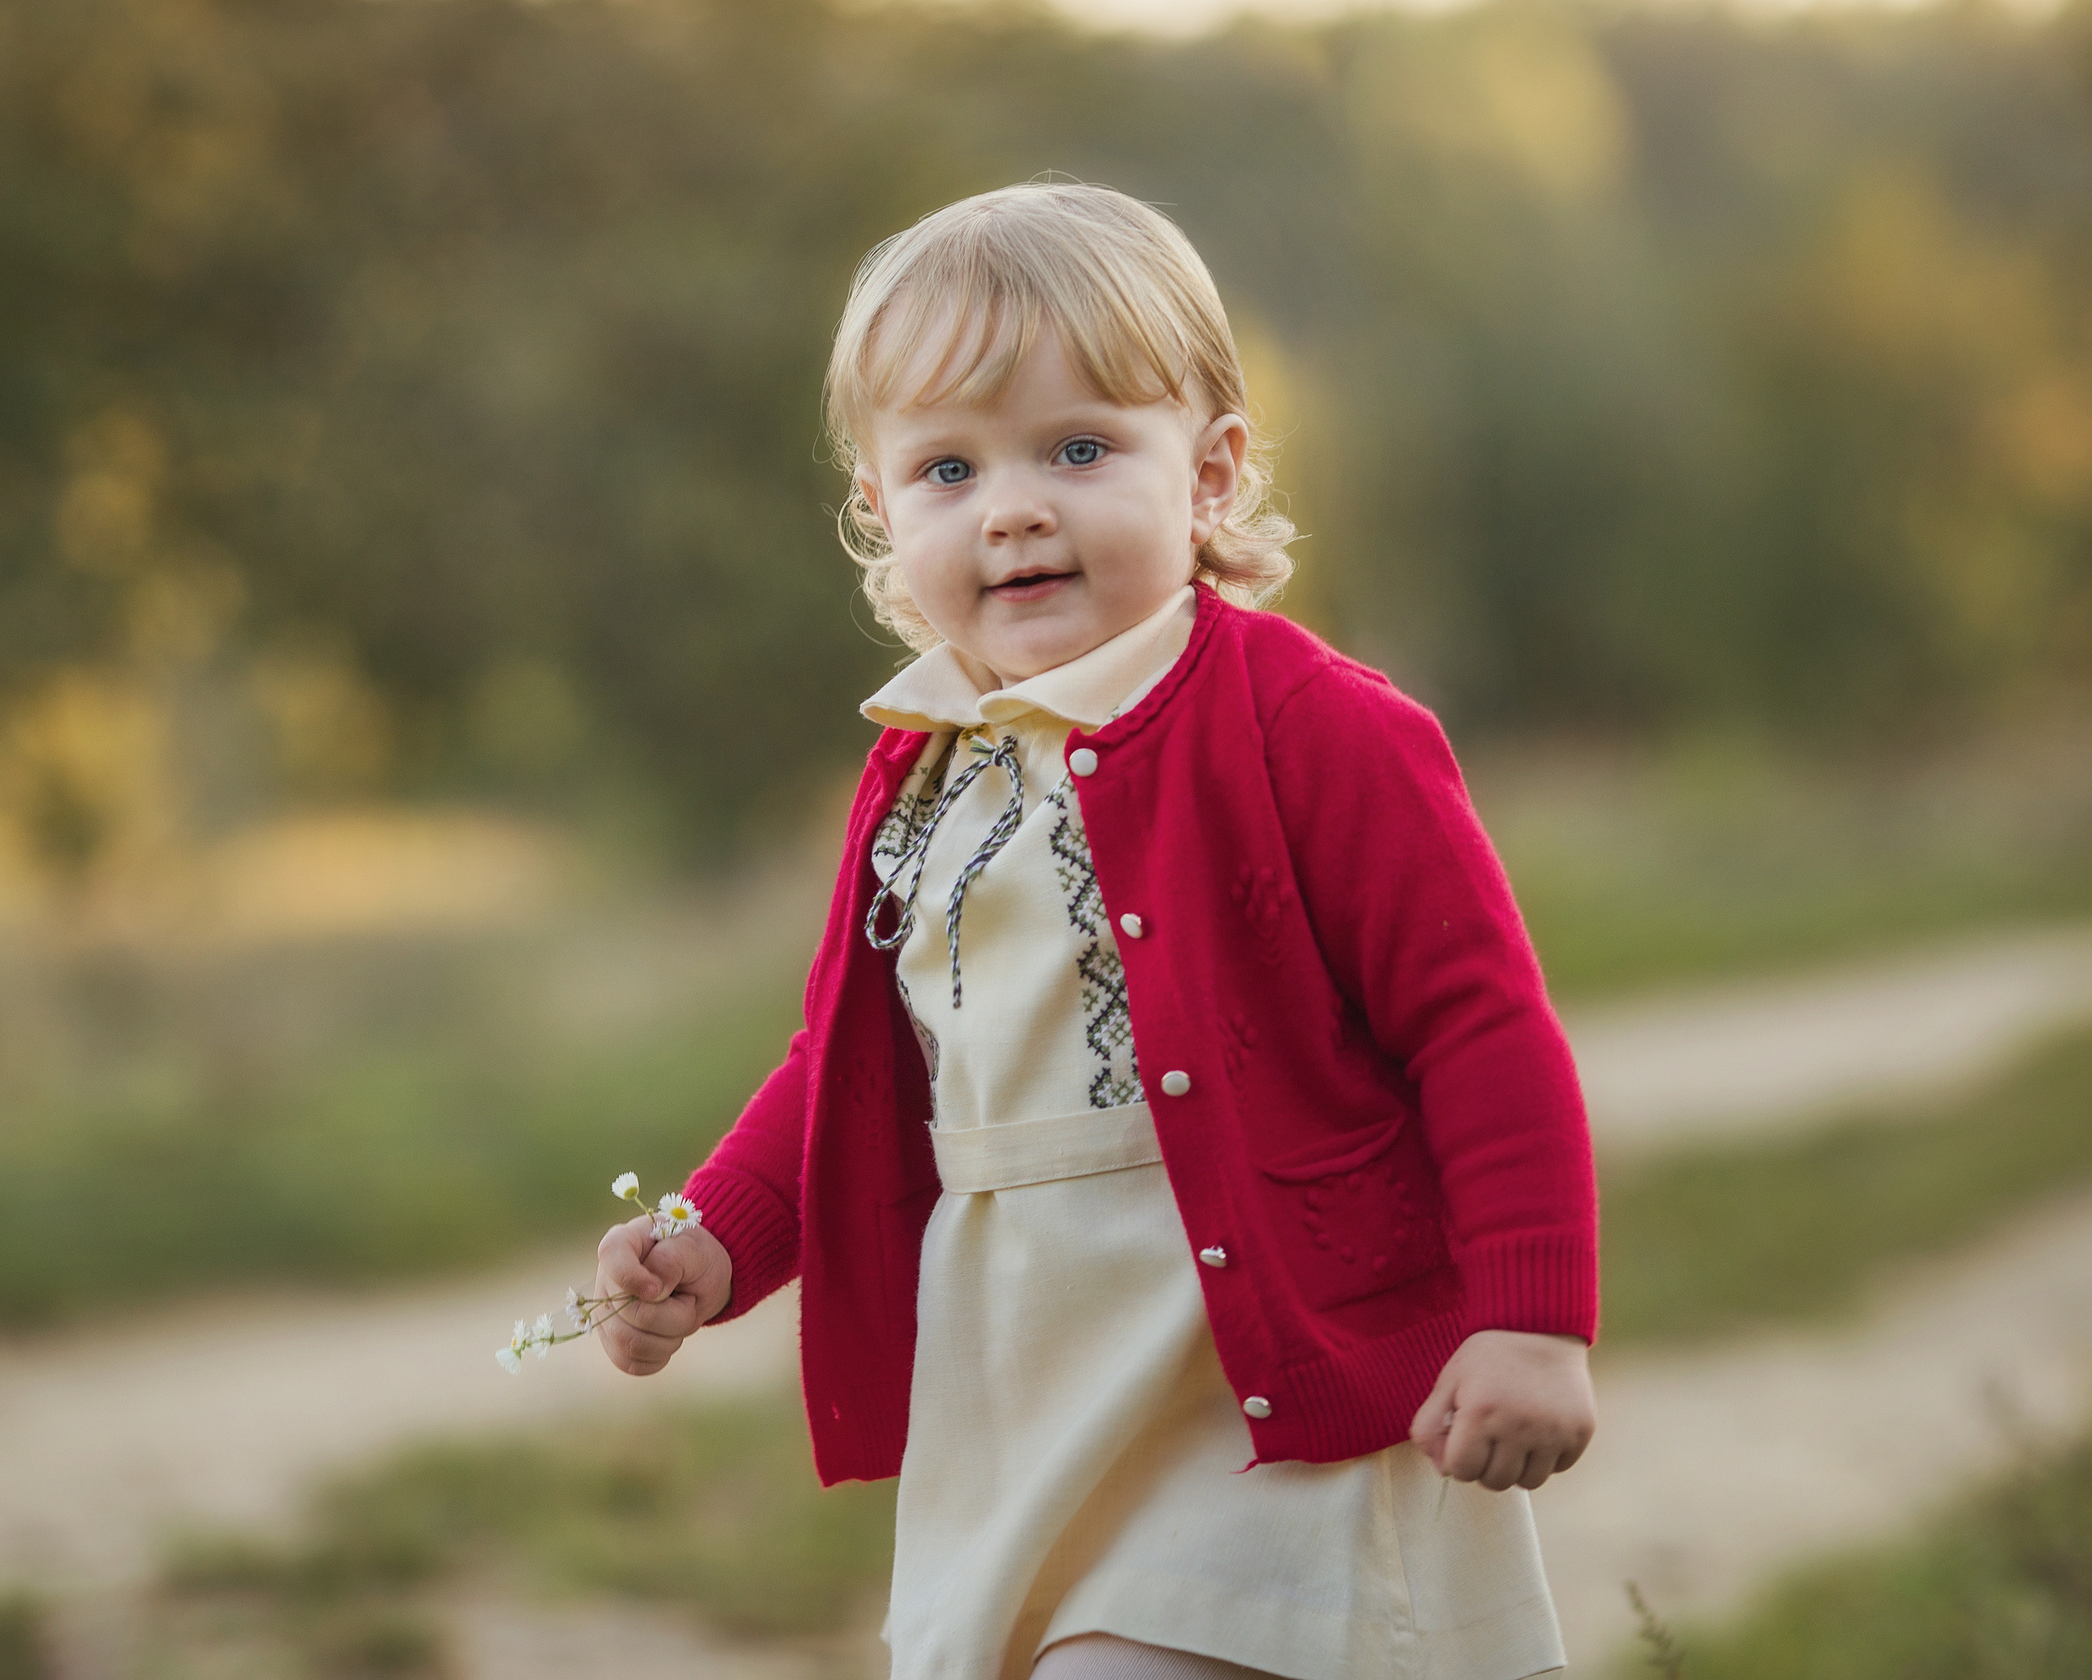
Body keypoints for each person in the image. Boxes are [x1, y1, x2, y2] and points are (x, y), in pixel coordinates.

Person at [588, 181, 1598, 1680]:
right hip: (1027, 1384)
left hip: (1251, 1393)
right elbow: (861, 1066)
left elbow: (1478, 1020)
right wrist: (712, 1241)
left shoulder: (1309, 729)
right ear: (879, 509)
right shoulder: (929, 770)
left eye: (1078, 447)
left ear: (1209, 472)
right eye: (946, 467)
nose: (1013, 507)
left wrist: (1532, 1321)